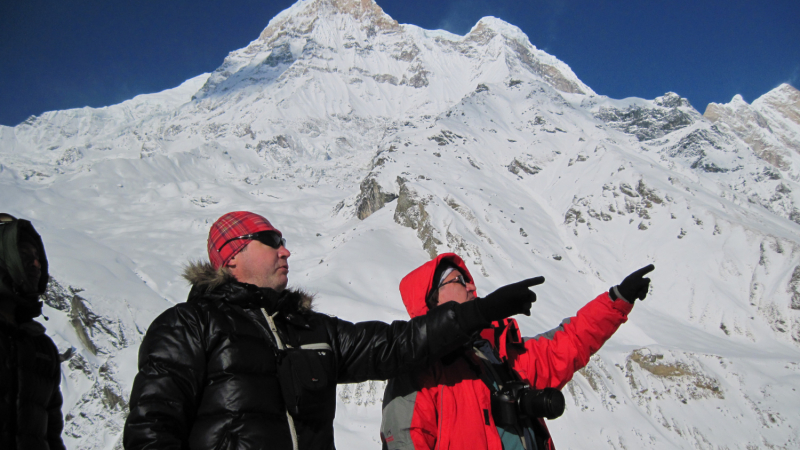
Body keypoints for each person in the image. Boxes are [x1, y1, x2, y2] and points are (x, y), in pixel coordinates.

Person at [123, 211, 543, 450]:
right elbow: (151, 432)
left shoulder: (308, 329)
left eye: (283, 239)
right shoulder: (186, 326)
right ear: (231, 258)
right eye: (270, 240)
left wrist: (478, 312)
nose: (285, 249)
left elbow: (396, 346)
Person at [380, 253, 654, 450]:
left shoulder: (498, 351)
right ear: (432, 298)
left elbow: (568, 343)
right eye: (458, 281)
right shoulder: (416, 373)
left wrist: (616, 300)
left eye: (469, 279)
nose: (471, 285)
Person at [0, 213, 66, 450]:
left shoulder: (42, 348)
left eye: (38, 257)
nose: (36, 264)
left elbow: (52, 436)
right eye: (25, 256)